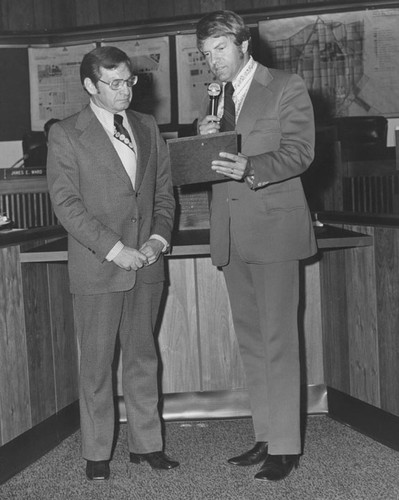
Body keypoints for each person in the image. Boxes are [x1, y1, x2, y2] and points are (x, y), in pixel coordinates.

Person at [47, 46, 177, 481]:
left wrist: (158, 238)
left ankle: (147, 445)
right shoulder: (66, 133)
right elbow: (66, 205)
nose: (125, 91)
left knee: (143, 357)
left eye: (129, 81)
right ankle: (97, 452)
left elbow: (163, 193)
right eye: (114, 83)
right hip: (100, 264)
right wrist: (115, 248)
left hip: (147, 263)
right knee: (98, 364)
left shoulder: (147, 126)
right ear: (90, 85)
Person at [196, 11, 317, 481]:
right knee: (252, 342)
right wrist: (201, 143)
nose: (213, 62)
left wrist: (249, 166)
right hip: (230, 230)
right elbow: (212, 165)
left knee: (279, 341)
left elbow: (301, 152)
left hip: (273, 229)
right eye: (206, 54)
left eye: (219, 50)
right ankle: (266, 434)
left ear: (243, 45)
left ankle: (286, 445)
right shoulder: (214, 98)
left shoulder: (285, 85)